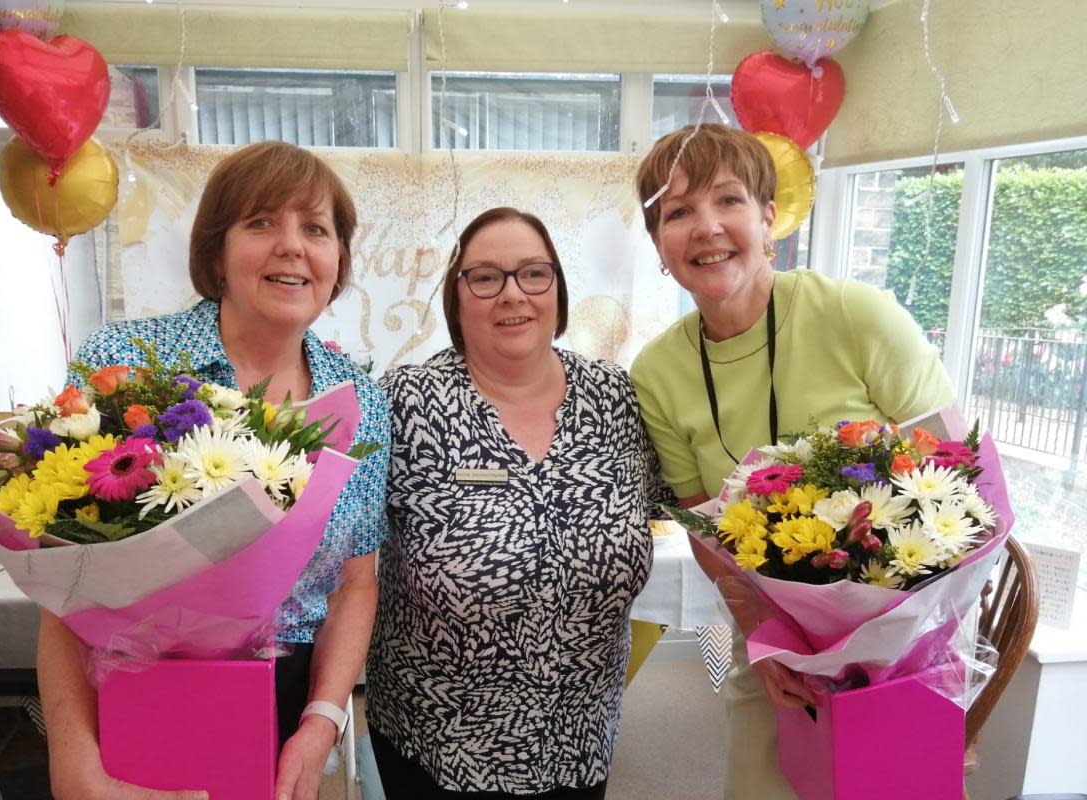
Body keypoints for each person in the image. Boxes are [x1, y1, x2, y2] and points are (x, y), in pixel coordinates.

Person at [38, 141, 390, 800]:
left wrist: (320, 724)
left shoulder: (359, 400)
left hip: (287, 694)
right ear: (216, 252)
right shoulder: (126, 365)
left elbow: (355, 584)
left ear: (337, 259)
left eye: (316, 229)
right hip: (131, 685)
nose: (292, 245)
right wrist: (73, 758)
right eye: (261, 222)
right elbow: (66, 584)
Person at [628, 124, 955, 799]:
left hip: (905, 647)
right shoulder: (657, 371)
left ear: (769, 217)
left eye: (728, 201)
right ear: (658, 246)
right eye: (678, 212)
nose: (706, 227)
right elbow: (704, 529)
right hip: (777, 652)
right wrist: (766, 639)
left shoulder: (857, 317)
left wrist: (908, 652)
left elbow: (955, 476)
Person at [365, 207, 669, 798]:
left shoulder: (617, 398)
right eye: (485, 277)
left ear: (557, 288)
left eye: (534, 273)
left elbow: (680, 502)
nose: (513, 295)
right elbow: (343, 552)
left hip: (578, 740)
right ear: (457, 297)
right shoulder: (405, 403)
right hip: (438, 742)